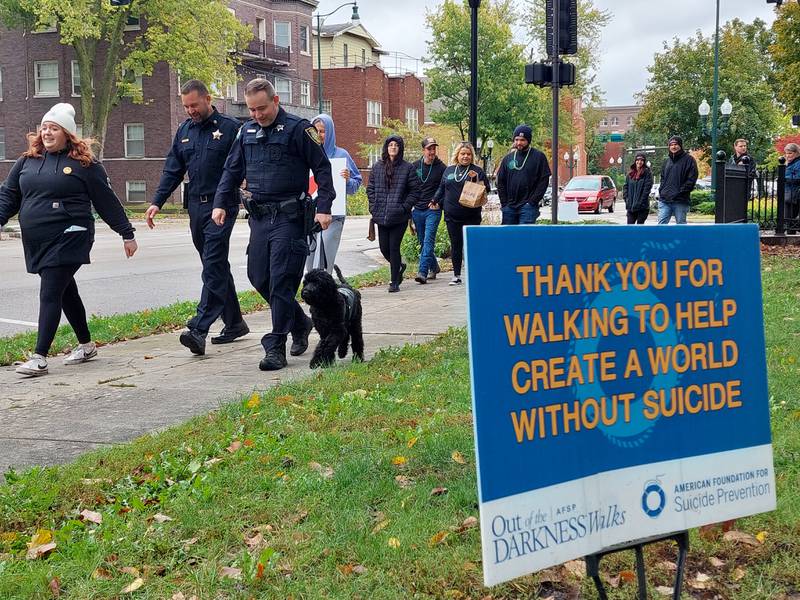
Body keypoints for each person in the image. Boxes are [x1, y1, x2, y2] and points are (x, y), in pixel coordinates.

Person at [0, 103, 138, 377]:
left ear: (67, 133)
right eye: (44, 128)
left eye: (54, 128)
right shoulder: (27, 161)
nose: (47, 132)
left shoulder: (84, 165)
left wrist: (127, 233)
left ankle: (39, 356)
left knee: (51, 291)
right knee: (66, 292)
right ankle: (87, 346)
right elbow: (8, 196)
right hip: (38, 240)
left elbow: (106, 201)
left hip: (71, 235)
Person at [212, 78, 334, 371]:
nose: (256, 115)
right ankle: (300, 322)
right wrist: (219, 203)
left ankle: (276, 345)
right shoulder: (247, 132)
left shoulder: (298, 129)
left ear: (275, 101)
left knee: (281, 280)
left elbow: (322, 168)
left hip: (290, 218)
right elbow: (232, 169)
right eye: (252, 110)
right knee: (258, 277)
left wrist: (324, 208)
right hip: (260, 219)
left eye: (261, 108)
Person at [145, 80, 247, 356]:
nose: (190, 110)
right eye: (186, 106)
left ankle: (199, 328)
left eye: (194, 105)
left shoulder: (229, 128)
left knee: (212, 264)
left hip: (222, 206)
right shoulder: (184, 131)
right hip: (196, 207)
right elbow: (172, 170)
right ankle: (235, 323)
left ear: (208, 99)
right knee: (215, 266)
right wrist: (157, 202)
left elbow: (244, 164)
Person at [305, 113, 362, 273]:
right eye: (315, 131)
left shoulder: (341, 155)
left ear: (330, 132)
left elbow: (355, 186)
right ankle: (311, 290)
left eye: (323, 131)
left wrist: (347, 180)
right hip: (309, 216)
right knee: (309, 259)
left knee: (325, 260)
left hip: (334, 216)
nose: (319, 135)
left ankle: (325, 291)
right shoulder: (305, 154)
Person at [366, 135, 420, 293]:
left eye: (396, 145)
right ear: (386, 147)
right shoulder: (377, 167)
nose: (393, 147)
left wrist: (404, 207)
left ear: (400, 148)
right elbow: (370, 188)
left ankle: (394, 281)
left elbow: (415, 191)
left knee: (394, 247)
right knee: (384, 248)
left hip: (399, 216)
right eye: (391, 145)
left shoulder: (407, 168)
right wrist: (373, 206)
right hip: (381, 215)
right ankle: (399, 266)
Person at [433, 141, 490, 286]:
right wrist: (434, 200)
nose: (465, 157)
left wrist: (476, 180)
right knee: (456, 245)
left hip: (471, 215)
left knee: (472, 245)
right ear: (457, 155)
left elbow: (486, 189)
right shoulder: (449, 170)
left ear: (472, 156)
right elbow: (441, 188)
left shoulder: (477, 170)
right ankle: (456, 275)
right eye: (463, 154)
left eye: (468, 154)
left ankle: (474, 274)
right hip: (452, 215)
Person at [496, 125, 551, 224]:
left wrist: (532, 202)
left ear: (528, 140)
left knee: (525, 236)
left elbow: (543, 181)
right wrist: (504, 203)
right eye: (516, 139)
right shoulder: (508, 158)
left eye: (522, 140)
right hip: (509, 207)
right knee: (508, 236)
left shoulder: (539, 157)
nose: (519, 143)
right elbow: (500, 182)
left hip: (528, 207)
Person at [410, 137, 447, 284]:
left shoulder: (442, 168)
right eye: (429, 148)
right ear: (423, 150)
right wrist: (410, 207)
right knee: (421, 240)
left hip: (433, 209)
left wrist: (440, 203)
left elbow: (445, 189)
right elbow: (410, 188)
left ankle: (422, 272)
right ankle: (435, 267)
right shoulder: (414, 166)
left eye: (433, 148)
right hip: (417, 210)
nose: (432, 151)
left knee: (428, 240)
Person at [658, 135, 698, 225]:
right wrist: (661, 191)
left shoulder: (689, 160)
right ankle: (661, 240)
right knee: (661, 226)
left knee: (681, 225)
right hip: (665, 200)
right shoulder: (666, 161)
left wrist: (680, 192)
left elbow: (691, 179)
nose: (673, 146)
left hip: (680, 200)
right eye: (671, 145)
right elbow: (663, 178)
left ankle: (682, 240)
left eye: (676, 144)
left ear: (680, 145)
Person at [623, 153, 654, 225]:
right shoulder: (630, 174)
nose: (639, 162)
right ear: (635, 161)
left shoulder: (647, 173)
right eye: (638, 160)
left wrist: (640, 203)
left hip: (642, 208)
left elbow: (646, 190)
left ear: (644, 162)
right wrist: (626, 199)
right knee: (630, 228)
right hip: (631, 207)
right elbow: (625, 187)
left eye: (642, 160)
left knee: (639, 228)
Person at [784, 143, 800, 234]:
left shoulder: (798, 163)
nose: (787, 155)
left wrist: (785, 179)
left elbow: (798, 178)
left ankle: (791, 235)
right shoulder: (789, 163)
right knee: (788, 218)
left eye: (790, 153)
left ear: (796, 153)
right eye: (786, 153)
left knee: (790, 217)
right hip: (787, 192)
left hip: (794, 193)